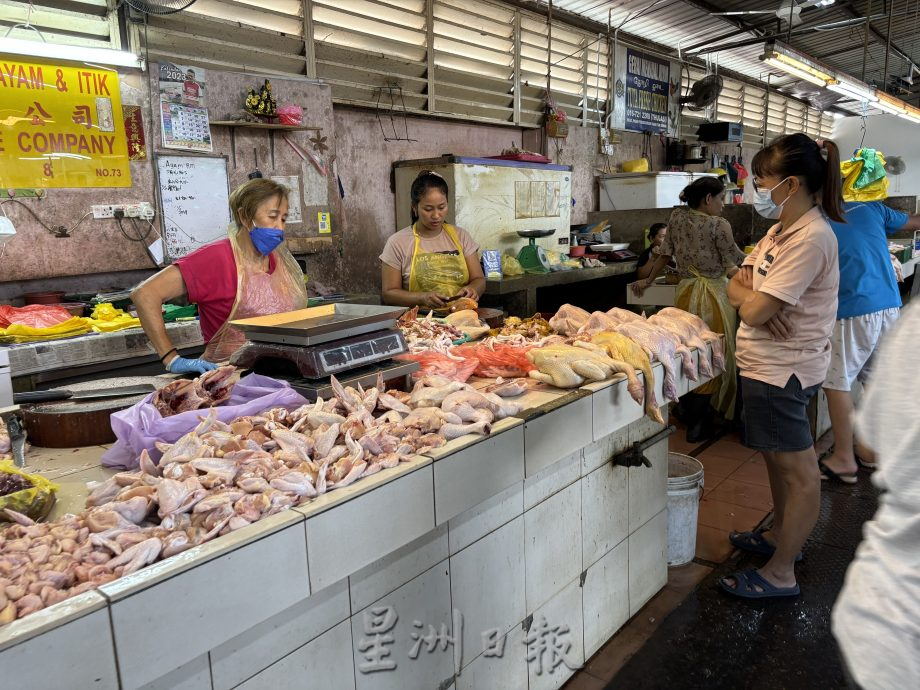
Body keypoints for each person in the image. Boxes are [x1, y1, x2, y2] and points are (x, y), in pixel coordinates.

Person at [722, 133, 844, 599]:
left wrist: (753, 303)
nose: (756, 189)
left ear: (790, 184)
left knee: (799, 471)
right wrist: (753, 299)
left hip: (784, 371)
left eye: (762, 181)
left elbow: (751, 310)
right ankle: (779, 540)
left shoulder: (811, 238)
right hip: (763, 365)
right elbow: (737, 285)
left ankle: (780, 573)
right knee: (776, 461)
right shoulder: (779, 231)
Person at [133, 178, 308, 374]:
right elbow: (144, 294)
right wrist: (171, 358)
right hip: (230, 380)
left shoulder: (279, 260)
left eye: (283, 219)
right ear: (244, 216)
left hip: (283, 373)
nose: (280, 228)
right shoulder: (216, 258)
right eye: (272, 217)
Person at [832, 302, 920, 689]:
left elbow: (872, 443)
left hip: (888, 618)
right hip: (893, 638)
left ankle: (841, 458)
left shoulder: (916, 328)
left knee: (838, 379)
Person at [633, 176, 746, 441]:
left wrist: (649, 280)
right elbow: (735, 259)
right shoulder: (720, 225)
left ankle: (686, 409)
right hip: (715, 296)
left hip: (685, 294)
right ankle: (701, 420)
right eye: (721, 199)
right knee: (714, 352)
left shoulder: (677, 219)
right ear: (708, 199)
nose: (723, 205)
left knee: (688, 350)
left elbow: (664, 254)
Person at [819, 201, 920, 484]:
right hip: (888, 304)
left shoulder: (814, 219)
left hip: (851, 307)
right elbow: (915, 221)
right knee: (875, 381)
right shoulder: (872, 209)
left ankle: (843, 459)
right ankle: (871, 452)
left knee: (835, 383)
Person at [380, 171, 485, 309]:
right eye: (428, 209)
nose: (436, 215)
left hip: (461, 316)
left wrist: (472, 290)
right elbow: (389, 294)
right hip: (421, 323)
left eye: (442, 207)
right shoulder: (397, 242)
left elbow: (479, 280)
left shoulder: (461, 236)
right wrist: (422, 298)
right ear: (414, 208)